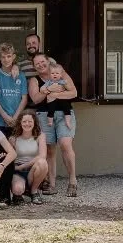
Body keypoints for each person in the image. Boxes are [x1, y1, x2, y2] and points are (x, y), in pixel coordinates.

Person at [30, 54, 79, 197]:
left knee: (65, 144)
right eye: (37, 63)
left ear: (48, 62)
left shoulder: (61, 73)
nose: (40, 65)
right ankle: (51, 185)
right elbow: (36, 99)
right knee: (50, 150)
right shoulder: (35, 80)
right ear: (34, 66)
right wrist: (49, 90)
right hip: (44, 115)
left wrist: (55, 95)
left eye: (42, 62)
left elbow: (73, 93)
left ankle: (72, 181)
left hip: (65, 114)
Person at [9, 110, 49, 204]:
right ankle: (19, 193)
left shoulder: (40, 136)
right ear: (20, 123)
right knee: (18, 189)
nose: (27, 124)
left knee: (42, 163)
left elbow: (42, 156)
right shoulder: (13, 138)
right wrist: (18, 168)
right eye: (24, 121)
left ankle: (34, 191)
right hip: (18, 171)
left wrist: (23, 166)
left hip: (34, 169)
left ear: (34, 122)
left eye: (30, 121)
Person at [0, 42, 28, 131]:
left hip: (17, 120)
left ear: (13, 57)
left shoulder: (21, 75)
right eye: (3, 57)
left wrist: (16, 117)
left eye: (8, 56)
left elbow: (24, 99)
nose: (6, 59)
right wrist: (5, 116)